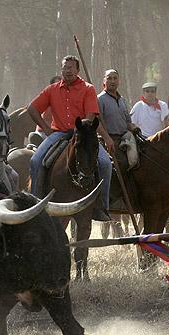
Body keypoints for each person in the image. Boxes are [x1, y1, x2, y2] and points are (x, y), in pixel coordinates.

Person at [27, 56, 109, 220]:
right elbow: (32, 108)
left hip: (83, 133)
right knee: (35, 160)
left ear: (77, 71)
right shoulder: (52, 89)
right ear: (61, 70)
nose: (68, 70)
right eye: (65, 68)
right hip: (59, 133)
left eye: (71, 67)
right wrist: (46, 128)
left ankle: (101, 206)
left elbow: (91, 113)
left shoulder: (88, 88)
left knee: (105, 163)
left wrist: (83, 128)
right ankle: (36, 203)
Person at [97, 69, 141, 214]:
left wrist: (134, 127)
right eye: (109, 78)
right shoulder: (100, 99)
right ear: (104, 81)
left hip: (125, 137)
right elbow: (97, 122)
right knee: (120, 164)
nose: (112, 81)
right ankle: (113, 198)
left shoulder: (122, 100)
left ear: (119, 81)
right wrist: (106, 138)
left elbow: (127, 122)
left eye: (115, 78)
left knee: (144, 158)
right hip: (109, 139)